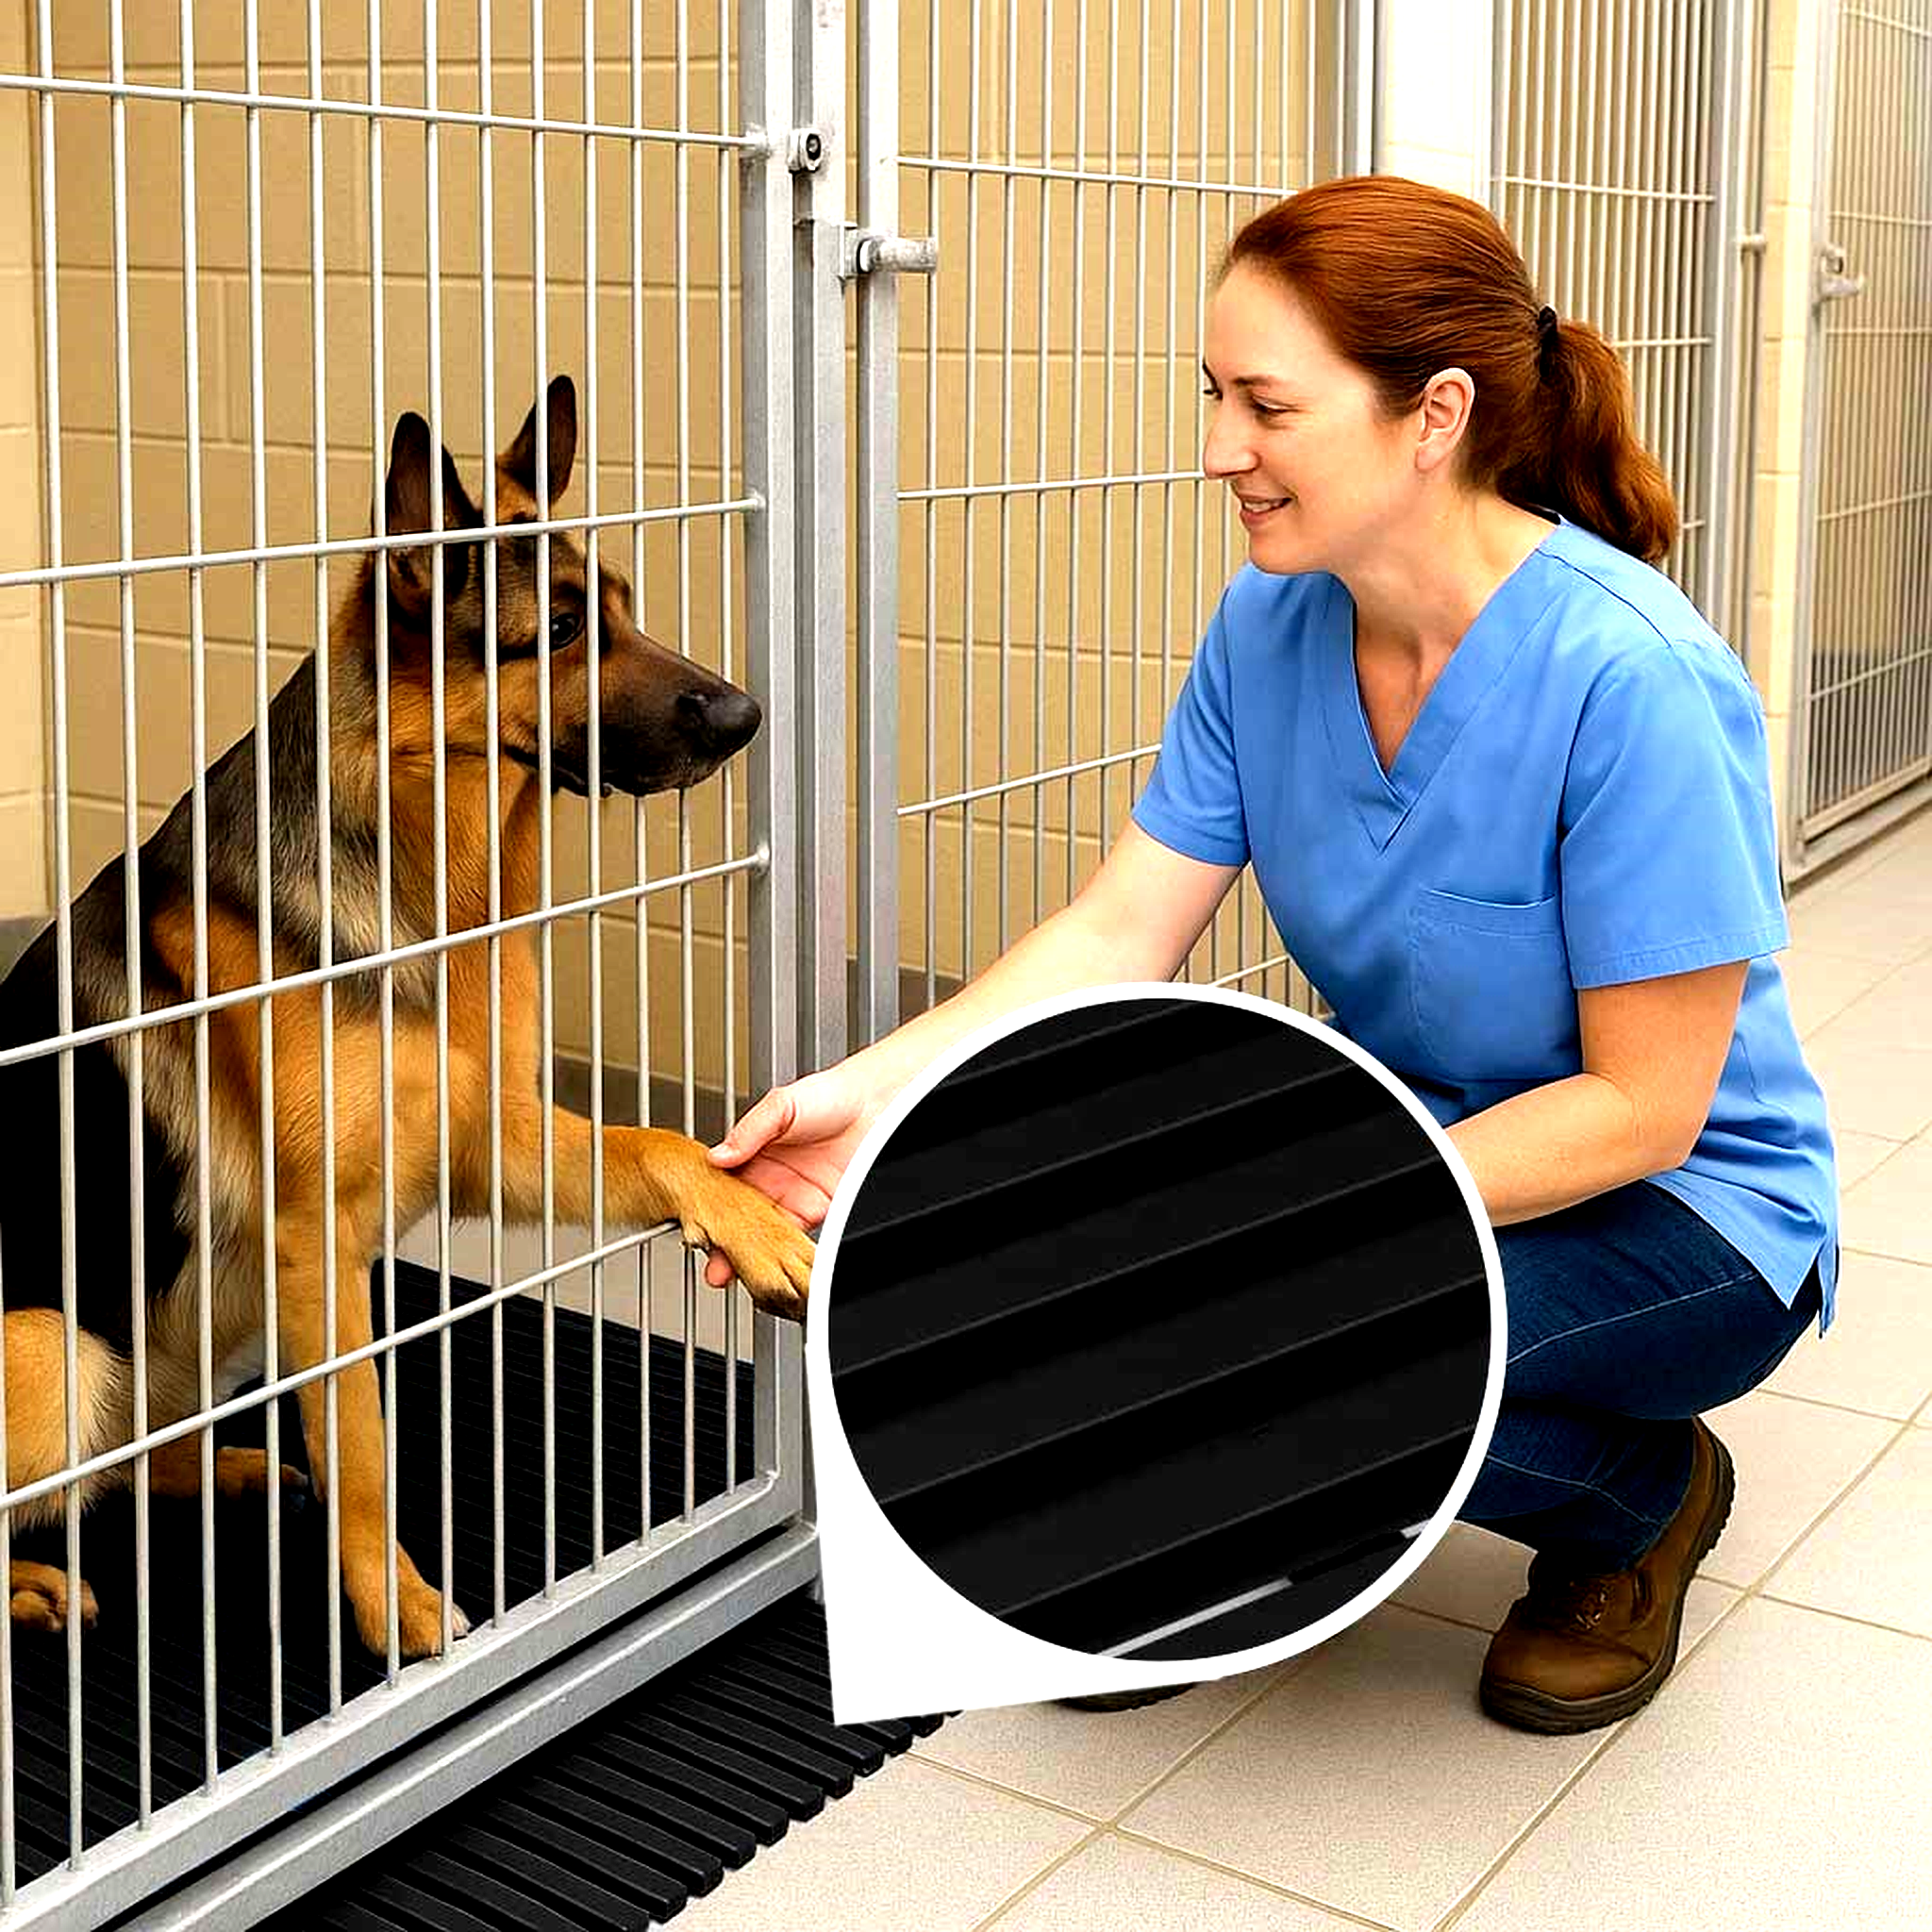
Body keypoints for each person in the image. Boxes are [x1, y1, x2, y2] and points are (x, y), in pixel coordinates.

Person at [704, 175, 1839, 1735]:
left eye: (1267, 405)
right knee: (1117, 1272)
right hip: (1426, 1146)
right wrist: (872, 1098)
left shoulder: (1631, 676)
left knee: (1285, 1336)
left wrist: (1298, 1225)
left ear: (1432, 415)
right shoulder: (1271, 622)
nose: (1222, 446)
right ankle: (1240, 1478)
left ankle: (1637, 1497)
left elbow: (1645, 1110)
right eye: (1213, 396)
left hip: (1691, 1210)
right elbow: (1122, 927)